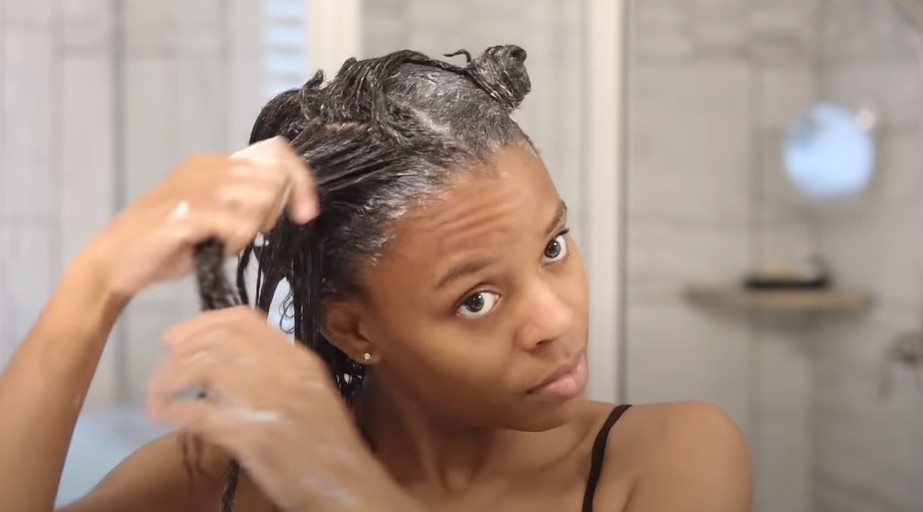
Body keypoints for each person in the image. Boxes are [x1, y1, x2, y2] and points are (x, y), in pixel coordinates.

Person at [0, 46, 751, 512]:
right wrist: (94, 285)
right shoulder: (226, 478)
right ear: (352, 328)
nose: (554, 319)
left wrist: (336, 489)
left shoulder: (663, 459)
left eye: (553, 246)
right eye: (475, 299)